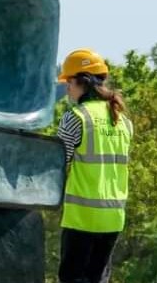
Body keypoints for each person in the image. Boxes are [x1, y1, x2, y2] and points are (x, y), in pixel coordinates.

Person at [56, 48, 133, 283]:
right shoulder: (123, 121)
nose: (67, 87)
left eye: (69, 81)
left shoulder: (76, 117)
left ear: (82, 81)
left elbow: (56, 164)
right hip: (112, 217)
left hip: (82, 217)